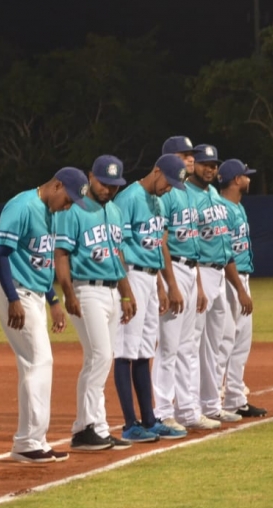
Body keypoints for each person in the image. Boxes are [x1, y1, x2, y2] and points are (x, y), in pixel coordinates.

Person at [0, 167, 88, 463]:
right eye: (68, 198)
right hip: (16, 292)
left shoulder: (51, 212)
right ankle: (28, 441)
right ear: (56, 185)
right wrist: (12, 299)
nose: (68, 205)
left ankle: (33, 439)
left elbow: (41, 263)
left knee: (36, 363)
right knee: (39, 361)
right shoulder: (22, 206)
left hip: (34, 293)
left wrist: (53, 300)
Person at [54, 156, 134, 451]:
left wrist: (126, 292)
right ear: (91, 177)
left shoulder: (114, 211)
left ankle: (95, 426)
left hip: (112, 291)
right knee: (100, 356)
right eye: (103, 183)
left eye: (114, 185)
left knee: (99, 358)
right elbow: (61, 255)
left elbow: (119, 254)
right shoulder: (74, 210)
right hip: (85, 290)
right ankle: (85, 427)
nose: (109, 190)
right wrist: (69, 293)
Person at [111, 154, 190, 443]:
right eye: (167, 182)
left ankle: (148, 419)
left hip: (149, 277)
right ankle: (130, 424)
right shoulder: (129, 198)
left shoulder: (157, 200)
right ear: (156, 171)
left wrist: (160, 286)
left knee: (144, 351)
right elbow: (117, 247)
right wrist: (125, 292)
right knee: (124, 350)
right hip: (130, 275)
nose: (168, 189)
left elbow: (156, 248)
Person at [184, 144, 243, 426]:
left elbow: (226, 243)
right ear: (193, 164)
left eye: (214, 164)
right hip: (200, 272)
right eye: (205, 163)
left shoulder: (214, 197)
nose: (210, 168)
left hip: (219, 272)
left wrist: (239, 287)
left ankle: (210, 404)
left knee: (215, 344)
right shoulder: (187, 196)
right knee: (193, 343)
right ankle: (189, 407)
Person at [156, 136, 212, 431]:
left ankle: (188, 410)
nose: (191, 159)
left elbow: (194, 246)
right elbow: (161, 241)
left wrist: (198, 284)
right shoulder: (166, 194)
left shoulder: (189, 192)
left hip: (190, 269)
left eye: (192, 155)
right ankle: (163, 410)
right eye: (183, 155)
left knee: (188, 346)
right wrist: (171, 284)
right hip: (173, 270)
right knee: (168, 346)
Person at [216, 159, 268, 418]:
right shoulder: (222, 209)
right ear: (236, 180)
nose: (249, 179)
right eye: (246, 176)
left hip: (241, 277)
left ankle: (235, 398)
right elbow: (225, 253)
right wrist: (240, 289)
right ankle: (213, 398)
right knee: (224, 340)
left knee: (241, 342)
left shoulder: (238, 207)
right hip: (229, 279)